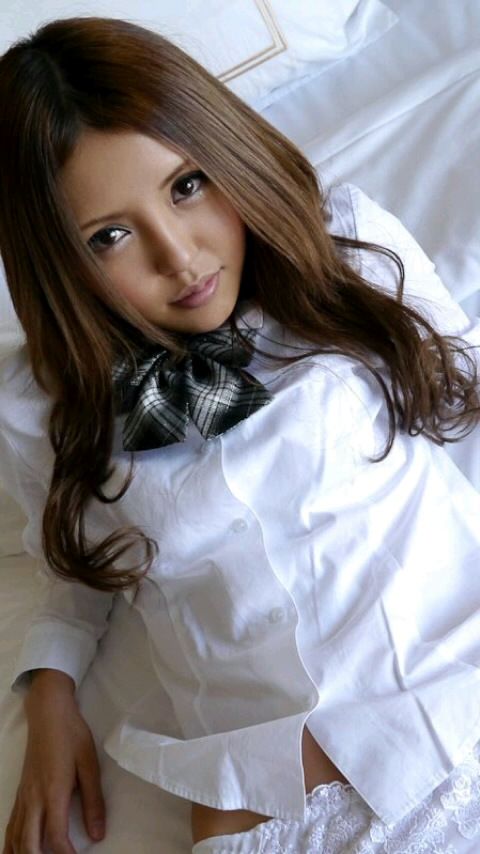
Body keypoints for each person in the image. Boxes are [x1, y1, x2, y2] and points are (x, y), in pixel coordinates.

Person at [1, 15, 480, 854]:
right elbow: (73, 565)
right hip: (276, 817)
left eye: (187, 185)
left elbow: (460, 376)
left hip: (457, 711)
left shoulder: (349, 254)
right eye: (110, 236)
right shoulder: (40, 405)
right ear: (57, 262)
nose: (179, 256)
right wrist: (50, 693)